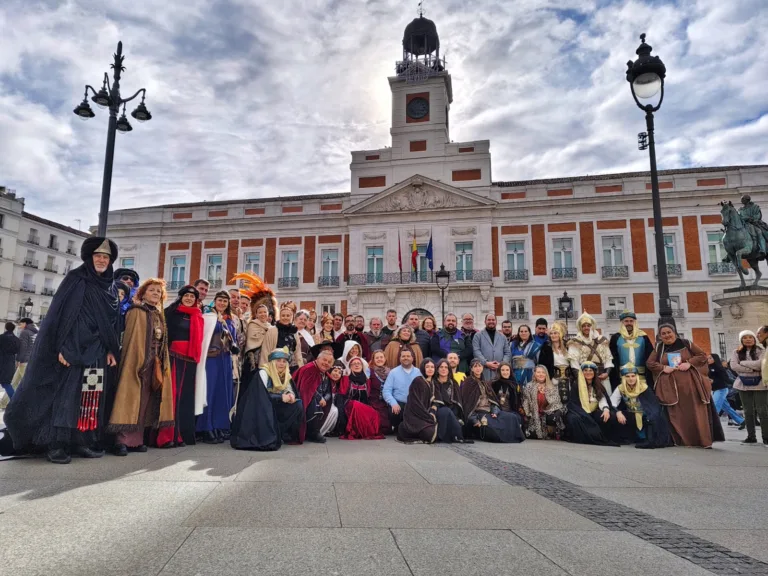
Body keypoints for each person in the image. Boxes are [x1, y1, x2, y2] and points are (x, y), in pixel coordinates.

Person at [4, 237, 120, 464]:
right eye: (97, 256)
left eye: (105, 257)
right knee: (66, 397)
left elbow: (112, 324)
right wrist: (61, 348)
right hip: (71, 349)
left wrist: (109, 350)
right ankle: (57, 444)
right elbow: (60, 316)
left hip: (97, 353)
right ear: (89, 257)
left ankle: (82, 441)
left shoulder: (111, 287)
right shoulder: (76, 280)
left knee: (90, 398)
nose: (101, 260)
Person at [109, 279, 174, 455]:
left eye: (159, 292)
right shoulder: (137, 311)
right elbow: (132, 339)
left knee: (146, 401)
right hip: (136, 361)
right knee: (129, 398)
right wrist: (138, 361)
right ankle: (121, 441)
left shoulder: (158, 314)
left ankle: (137, 440)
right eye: (152, 290)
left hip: (154, 362)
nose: (155, 293)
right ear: (143, 293)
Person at [647, 323, 724, 448]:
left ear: (674, 332)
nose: (667, 335)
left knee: (695, 411)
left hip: (690, 384)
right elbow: (650, 363)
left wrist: (689, 363)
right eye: (663, 334)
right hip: (671, 387)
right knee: (676, 413)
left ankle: (702, 440)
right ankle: (682, 440)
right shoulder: (659, 348)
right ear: (660, 336)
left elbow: (702, 355)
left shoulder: (686, 343)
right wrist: (663, 367)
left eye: (669, 332)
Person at [158, 285, 205, 448]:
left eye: (193, 297)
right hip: (173, 357)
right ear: (181, 297)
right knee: (172, 395)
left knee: (185, 397)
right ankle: (166, 436)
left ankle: (180, 435)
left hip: (191, 360)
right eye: (186, 296)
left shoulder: (198, 315)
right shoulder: (171, 312)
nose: (189, 299)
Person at [230, 348, 304, 450]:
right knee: (266, 406)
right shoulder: (263, 373)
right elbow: (260, 397)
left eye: (284, 361)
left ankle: (282, 434)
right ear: (272, 361)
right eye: (278, 361)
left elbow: (289, 390)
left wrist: (290, 396)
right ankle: (268, 436)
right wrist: (280, 397)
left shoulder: (286, 374)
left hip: (273, 404)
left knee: (297, 405)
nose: (281, 364)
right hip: (258, 409)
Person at [196, 291, 237, 444]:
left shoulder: (229, 319)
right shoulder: (209, 316)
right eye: (220, 300)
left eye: (225, 301)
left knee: (223, 393)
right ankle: (206, 427)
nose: (222, 303)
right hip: (211, 359)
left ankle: (219, 425)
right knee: (210, 392)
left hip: (225, 359)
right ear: (215, 301)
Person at [609, 363, 672, 449]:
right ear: (624, 378)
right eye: (627, 376)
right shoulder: (621, 388)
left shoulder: (643, 388)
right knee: (615, 416)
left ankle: (649, 440)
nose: (631, 379)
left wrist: (650, 416)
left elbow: (653, 406)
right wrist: (618, 412)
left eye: (633, 376)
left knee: (651, 419)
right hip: (632, 415)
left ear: (636, 377)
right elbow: (612, 403)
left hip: (645, 415)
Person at [462, 359, 524, 443]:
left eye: (479, 366)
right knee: (493, 430)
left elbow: (493, 400)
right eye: (475, 366)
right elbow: (467, 405)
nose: (478, 368)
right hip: (478, 413)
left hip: (489, 411)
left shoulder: (486, 383)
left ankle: (514, 438)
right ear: (471, 369)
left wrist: (495, 412)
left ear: (482, 368)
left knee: (511, 417)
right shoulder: (468, 382)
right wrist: (474, 420)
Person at [563, 362, 619, 446]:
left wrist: (606, 409)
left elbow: (602, 399)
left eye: (590, 370)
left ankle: (601, 436)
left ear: (594, 372)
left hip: (593, 411)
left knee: (608, 416)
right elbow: (573, 403)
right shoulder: (576, 384)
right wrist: (584, 414)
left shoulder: (598, 385)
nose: (588, 372)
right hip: (579, 411)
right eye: (585, 370)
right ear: (582, 372)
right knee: (573, 419)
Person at [730, 330, 767, 445]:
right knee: (747, 411)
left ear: (754, 339)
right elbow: (734, 366)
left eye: (750, 337)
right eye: (745, 337)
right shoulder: (736, 352)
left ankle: (766, 437)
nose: (748, 339)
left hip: (760, 384)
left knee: (763, 411)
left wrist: (744, 363)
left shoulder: (762, 351)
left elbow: (761, 364)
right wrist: (752, 369)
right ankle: (751, 436)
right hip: (743, 384)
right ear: (741, 340)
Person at [334, 356, 384, 440]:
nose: (356, 365)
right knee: (355, 405)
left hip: (362, 406)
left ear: (362, 366)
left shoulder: (367, 380)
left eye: (358, 364)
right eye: (354, 364)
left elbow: (368, 396)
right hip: (349, 405)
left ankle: (365, 431)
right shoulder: (346, 378)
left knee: (374, 413)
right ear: (350, 366)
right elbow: (341, 395)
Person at [294, 349, 336, 443]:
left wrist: (325, 398)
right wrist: (319, 398)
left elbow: (329, 391)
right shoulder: (309, 369)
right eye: (324, 360)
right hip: (303, 399)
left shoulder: (325, 374)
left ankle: (314, 431)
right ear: (318, 358)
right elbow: (306, 389)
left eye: (329, 362)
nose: (326, 363)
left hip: (320, 400)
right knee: (313, 403)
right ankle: (312, 432)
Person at [567, 311, 613, 397]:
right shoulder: (575, 342)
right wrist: (581, 378)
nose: (586, 328)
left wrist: (607, 373)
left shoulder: (602, 340)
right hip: (584, 375)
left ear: (592, 326)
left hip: (601, 375)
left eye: (588, 325)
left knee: (604, 397)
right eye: (583, 326)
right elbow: (574, 363)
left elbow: (608, 358)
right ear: (580, 328)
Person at [609, 310, 654, 392]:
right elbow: (612, 358)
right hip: (622, 376)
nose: (629, 323)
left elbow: (650, 355)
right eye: (626, 321)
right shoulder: (616, 337)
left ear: (635, 322)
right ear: (622, 322)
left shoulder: (643, 337)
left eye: (631, 321)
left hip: (641, 376)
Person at [382, 348, 422, 433]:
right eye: (403, 356)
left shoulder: (418, 372)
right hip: (399, 404)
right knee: (393, 412)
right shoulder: (393, 372)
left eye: (408, 356)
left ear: (412, 358)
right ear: (400, 358)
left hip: (413, 404)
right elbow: (386, 390)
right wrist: (393, 403)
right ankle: (397, 426)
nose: (406, 358)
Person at [2, 318, 38, 409]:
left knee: (27, 385)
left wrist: (18, 360)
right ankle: (4, 403)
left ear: (25, 324)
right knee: (14, 382)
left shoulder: (25, 332)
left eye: (21, 324)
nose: (20, 326)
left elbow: (23, 348)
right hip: (30, 361)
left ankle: (32, 405)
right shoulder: (36, 332)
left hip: (23, 361)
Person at [522, 365, 566, 440]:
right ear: (534, 374)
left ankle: (551, 430)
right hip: (534, 415)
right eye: (538, 372)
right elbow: (525, 403)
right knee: (532, 435)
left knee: (554, 417)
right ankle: (544, 431)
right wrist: (529, 414)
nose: (541, 374)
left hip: (548, 413)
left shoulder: (552, 386)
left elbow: (557, 403)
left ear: (546, 374)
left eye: (543, 372)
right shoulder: (528, 386)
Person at [430, 358, 466, 443]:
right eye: (441, 367)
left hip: (452, 411)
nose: (443, 369)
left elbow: (457, 402)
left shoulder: (453, 383)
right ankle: (443, 436)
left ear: (449, 370)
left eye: (446, 367)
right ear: (437, 369)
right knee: (445, 411)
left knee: (452, 414)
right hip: (437, 410)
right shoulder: (433, 382)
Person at [708, 352, 744, 429]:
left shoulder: (719, 368)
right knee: (727, 408)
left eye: (710, 358)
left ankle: (711, 426)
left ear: (715, 359)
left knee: (714, 407)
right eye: (708, 358)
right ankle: (742, 421)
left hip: (721, 389)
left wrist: (713, 381)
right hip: (715, 390)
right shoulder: (708, 368)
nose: (708, 359)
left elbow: (725, 379)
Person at [472, 313, 510, 381]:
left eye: (493, 320)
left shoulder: (502, 336)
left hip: (499, 371)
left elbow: (507, 352)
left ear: (496, 321)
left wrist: (502, 364)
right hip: (483, 371)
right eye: (489, 320)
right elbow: (476, 351)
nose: (491, 321)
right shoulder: (478, 336)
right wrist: (485, 363)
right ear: (485, 321)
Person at [274, 301, 305, 373]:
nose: (285, 317)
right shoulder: (273, 330)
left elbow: (298, 352)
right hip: (276, 367)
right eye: (283, 315)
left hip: (291, 367)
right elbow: (267, 351)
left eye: (292, 309)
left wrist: (301, 369)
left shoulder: (294, 330)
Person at [368, 349, 392, 435]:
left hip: (386, 402)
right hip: (373, 401)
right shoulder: (369, 371)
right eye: (377, 358)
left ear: (385, 359)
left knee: (387, 427)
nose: (379, 359)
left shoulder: (390, 372)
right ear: (373, 360)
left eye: (381, 357)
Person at [549, 321, 571, 406]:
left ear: (560, 334)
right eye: (551, 333)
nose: (553, 335)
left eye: (555, 333)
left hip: (568, 378)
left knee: (567, 400)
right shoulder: (547, 348)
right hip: (554, 379)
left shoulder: (568, 347)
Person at [0, 322, 19, 407]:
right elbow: (17, 351)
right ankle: (15, 402)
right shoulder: (17, 340)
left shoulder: (1, 338)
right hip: (10, 364)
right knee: (6, 384)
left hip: (1, 361)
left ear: (6, 328)